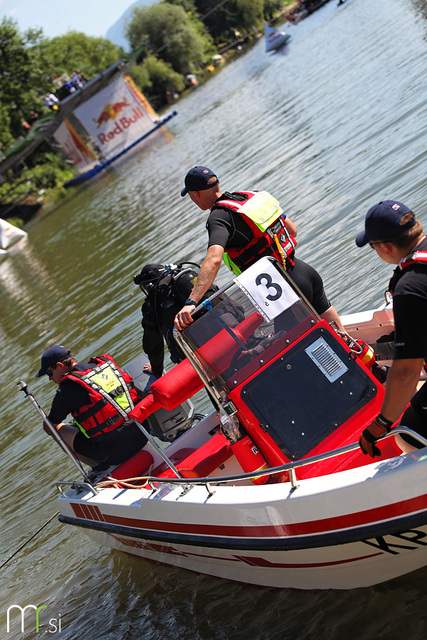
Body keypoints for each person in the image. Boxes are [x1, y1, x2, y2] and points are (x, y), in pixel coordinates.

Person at [174, 166, 343, 332]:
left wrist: (191, 303)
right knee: (339, 332)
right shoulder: (251, 197)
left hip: (284, 291)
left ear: (195, 193)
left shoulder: (218, 217)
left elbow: (214, 259)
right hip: (304, 272)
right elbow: (292, 230)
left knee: (289, 352)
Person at [355, 200, 427, 457]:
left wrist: (381, 423)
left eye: (373, 247)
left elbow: (407, 372)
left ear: (385, 246)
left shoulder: (409, 288)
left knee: (407, 436)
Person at [35, 345, 148, 469]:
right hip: (143, 433)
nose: (50, 378)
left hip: (116, 453)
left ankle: (99, 468)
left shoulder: (68, 387)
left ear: (60, 366)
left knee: (58, 429)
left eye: (49, 373)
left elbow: (49, 427)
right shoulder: (104, 365)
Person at [134, 262, 221, 377]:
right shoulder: (184, 278)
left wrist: (156, 369)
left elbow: (153, 344)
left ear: (149, 285)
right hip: (228, 331)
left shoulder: (152, 304)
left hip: (202, 359)